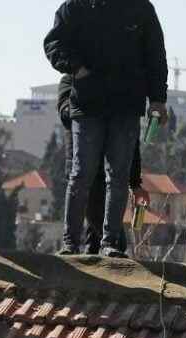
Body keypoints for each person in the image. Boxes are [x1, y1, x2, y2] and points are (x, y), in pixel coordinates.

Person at [44, 0, 168, 258]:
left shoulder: (141, 9)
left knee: (118, 177)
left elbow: (155, 57)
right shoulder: (75, 7)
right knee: (81, 175)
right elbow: (54, 43)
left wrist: (158, 99)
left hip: (126, 106)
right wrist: (76, 68)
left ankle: (110, 244)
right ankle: (70, 243)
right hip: (87, 106)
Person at [57, 75, 149, 255]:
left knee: (96, 232)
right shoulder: (70, 81)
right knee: (98, 220)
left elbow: (130, 146)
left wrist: (135, 183)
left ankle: (96, 253)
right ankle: (84, 246)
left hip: (107, 171)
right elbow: (65, 112)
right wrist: (86, 109)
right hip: (85, 171)